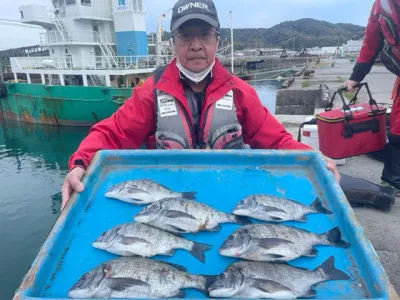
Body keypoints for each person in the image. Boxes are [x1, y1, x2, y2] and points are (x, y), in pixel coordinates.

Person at [61, 0, 340, 209]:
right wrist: (80, 162)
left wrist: (315, 160)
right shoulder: (150, 93)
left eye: (204, 34)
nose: (195, 45)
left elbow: (278, 141)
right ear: (173, 43)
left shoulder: (240, 93)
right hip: (165, 207)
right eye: (186, 36)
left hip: (228, 199)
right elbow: (111, 133)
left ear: (217, 40)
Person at [345, 0, 400, 190]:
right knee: (397, 130)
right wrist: (356, 77)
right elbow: (371, 41)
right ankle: (393, 179)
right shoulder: (381, 4)